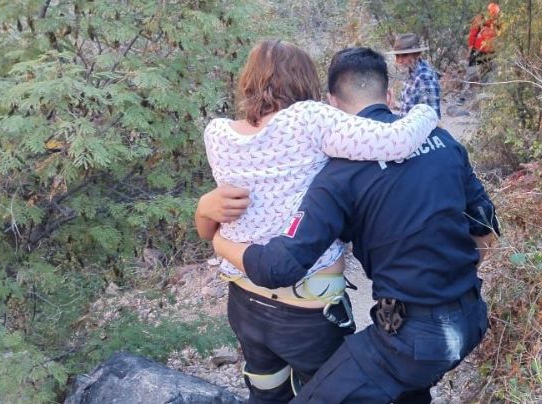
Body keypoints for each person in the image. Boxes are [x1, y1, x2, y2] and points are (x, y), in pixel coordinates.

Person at [211, 47, 499, 403]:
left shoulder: (339, 174)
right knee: (407, 387)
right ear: (389, 96)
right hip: (470, 319)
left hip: (408, 338)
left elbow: (280, 265)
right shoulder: (444, 141)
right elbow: (486, 227)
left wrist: (220, 241)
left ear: (331, 104)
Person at [388, 33, 442, 119]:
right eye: (397, 56)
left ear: (417, 54)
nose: (400, 60)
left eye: (404, 55)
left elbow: (432, 118)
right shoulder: (411, 72)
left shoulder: (424, 78)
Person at [467, 2, 501, 68]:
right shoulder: (481, 18)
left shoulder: (497, 22)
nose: (492, 14)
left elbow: (472, 35)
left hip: (485, 51)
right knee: (482, 73)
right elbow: (472, 35)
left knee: (474, 72)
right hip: (484, 51)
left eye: (494, 13)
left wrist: (469, 51)